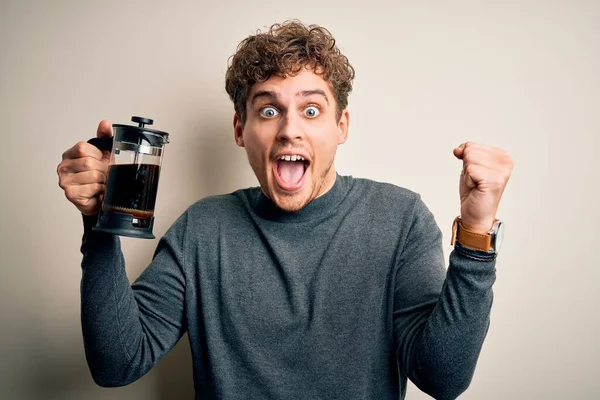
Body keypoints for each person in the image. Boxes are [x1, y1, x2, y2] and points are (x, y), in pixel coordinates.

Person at [56, 20, 513, 400]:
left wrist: (475, 233)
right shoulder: (202, 230)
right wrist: (99, 224)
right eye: (269, 111)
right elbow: (117, 363)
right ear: (241, 128)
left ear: (341, 126)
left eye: (311, 111)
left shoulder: (399, 219)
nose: (290, 129)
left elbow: (443, 379)